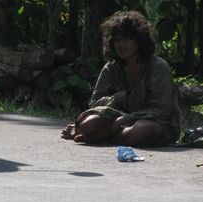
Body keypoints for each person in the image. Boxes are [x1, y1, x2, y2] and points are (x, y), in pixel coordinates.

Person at [61, 11, 180, 147]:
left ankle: (102, 137)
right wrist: (117, 98)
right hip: (115, 118)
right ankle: (102, 135)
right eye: (117, 40)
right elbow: (94, 104)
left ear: (139, 40)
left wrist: (125, 119)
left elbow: (161, 111)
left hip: (156, 123)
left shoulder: (158, 67)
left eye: (127, 39)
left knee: (140, 130)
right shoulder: (111, 67)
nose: (121, 44)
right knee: (87, 124)